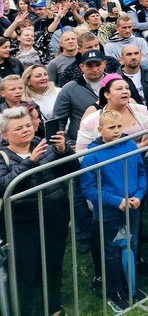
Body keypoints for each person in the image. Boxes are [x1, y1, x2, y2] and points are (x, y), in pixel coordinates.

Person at [0, 106, 77, 316]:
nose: (26, 130)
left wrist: (64, 151)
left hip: (55, 216)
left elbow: (73, 172)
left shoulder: (47, 146)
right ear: (5, 135)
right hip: (23, 222)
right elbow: (5, 186)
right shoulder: (3, 157)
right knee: (25, 270)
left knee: (53, 263)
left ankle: (52, 307)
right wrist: (29, 162)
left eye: (28, 125)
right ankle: (23, 309)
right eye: (18, 128)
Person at [80, 110, 148, 312]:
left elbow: (141, 172)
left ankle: (131, 286)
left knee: (131, 246)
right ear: (100, 130)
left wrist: (139, 194)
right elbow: (88, 188)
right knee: (110, 252)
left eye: (119, 127)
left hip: (133, 207)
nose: (117, 131)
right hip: (109, 213)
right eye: (111, 127)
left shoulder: (130, 145)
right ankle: (115, 291)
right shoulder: (92, 155)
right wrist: (115, 201)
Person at [76, 74, 148, 152]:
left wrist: (134, 149)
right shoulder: (90, 120)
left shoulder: (142, 110)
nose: (125, 91)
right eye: (119, 89)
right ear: (107, 94)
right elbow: (81, 152)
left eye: (127, 88)